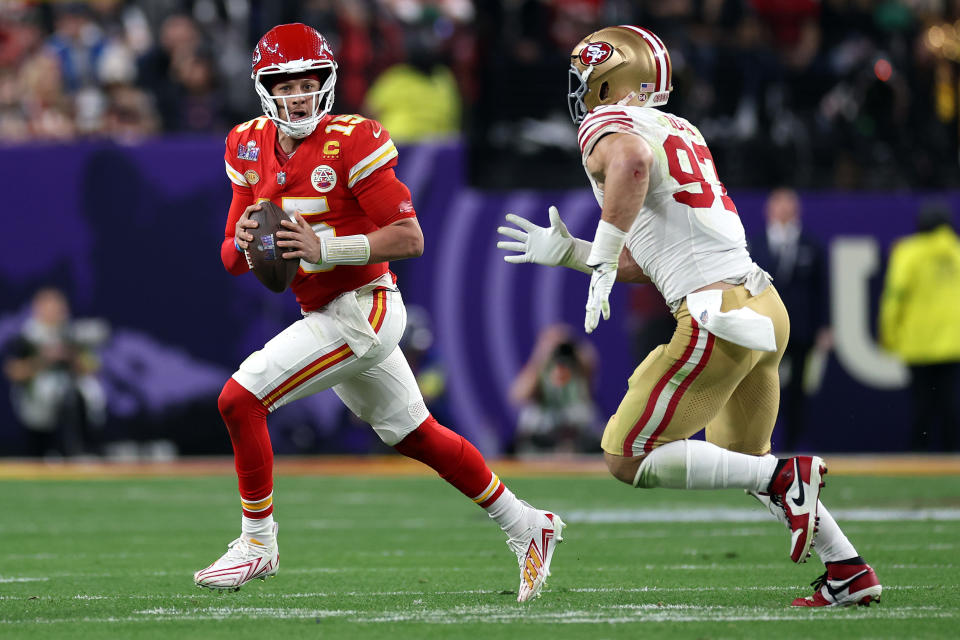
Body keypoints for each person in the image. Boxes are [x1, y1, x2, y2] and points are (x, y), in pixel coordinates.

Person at [497, 25, 880, 607]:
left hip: (715, 313)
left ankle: (789, 479)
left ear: (612, 80)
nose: (580, 91)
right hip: (761, 306)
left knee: (626, 455)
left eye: (587, 78)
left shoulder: (610, 127)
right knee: (745, 464)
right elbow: (653, 256)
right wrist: (578, 254)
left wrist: (598, 251)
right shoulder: (681, 126)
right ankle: (848, 569)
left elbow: (629, 163)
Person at [194, 23, 563, 602]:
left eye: (309, 82)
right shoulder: (246, 143)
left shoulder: (354, 140)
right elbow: (232, 260)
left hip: (364, 307)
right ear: (264, 89)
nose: (298, 95)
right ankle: (528, 525)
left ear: (327, 83)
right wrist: (243, 241)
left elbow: (410, 237)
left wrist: (326, 247)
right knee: (417, 435)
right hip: (324, 309)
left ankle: (258, 544)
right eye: (284, 84)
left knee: (240, 400)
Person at [749, 188, 831, 450]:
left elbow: (822, 290)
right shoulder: (754, 244)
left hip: (801, 329)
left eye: (788, 206)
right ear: (768, 210)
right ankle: (760, 443)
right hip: (765, 328)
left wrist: (824, 326)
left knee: (797, 391)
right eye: (778, 206)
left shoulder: (810, 245)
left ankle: (792, 445)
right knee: (761, 388)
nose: (784, 211)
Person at [879, 203, 960, 452]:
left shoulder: (908, 252)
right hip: (954, 343)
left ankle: (920, 457)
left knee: (921, 405)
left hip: (918, 343)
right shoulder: (957, 251)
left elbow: (895, 297)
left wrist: (889, 335)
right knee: (952, 404)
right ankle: (953, 457)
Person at [2, 288, 107, 457]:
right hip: (36, 406)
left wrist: (70, 355)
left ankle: (80, 451)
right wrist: (44, 359)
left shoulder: (71, 336)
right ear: (37, 309)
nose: (53, 312)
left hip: (69, 406)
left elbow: (93, 369)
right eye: (48, 307)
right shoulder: (26, 337)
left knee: (83, 393)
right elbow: (14, 371)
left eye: (57, 307)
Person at [509, 324, 599, 454]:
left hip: (576, 437)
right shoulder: (541, 369)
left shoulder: (578, 369)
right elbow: (519, 395)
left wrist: (572, 349)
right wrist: (541, 357)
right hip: (543, 437)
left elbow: (591, 363)